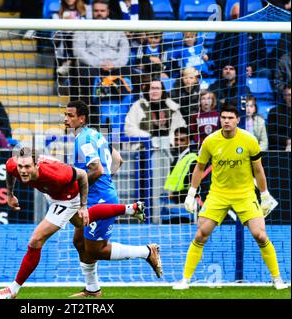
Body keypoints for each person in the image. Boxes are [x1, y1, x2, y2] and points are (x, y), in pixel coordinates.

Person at [0, 147, 147, 299]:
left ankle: (12, 290)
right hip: (52, 193)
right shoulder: (13, 165)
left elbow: (83, 176)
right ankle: (131, 209)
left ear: (37, 165)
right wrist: (10, 195)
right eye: (20, 166)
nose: (23, 171)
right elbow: (10, 172)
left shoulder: (57, 173)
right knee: (80, 223)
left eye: (27, 167)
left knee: (36, 240)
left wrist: (84, 206)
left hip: (68, 197)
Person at [173, 104, 288, 290]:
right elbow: (199, 167)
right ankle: (185, 280)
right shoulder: (210, 141)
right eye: (223, 118)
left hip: (245, 194)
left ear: (237, 120)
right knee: (201, 234)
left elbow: (258, 170)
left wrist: (265, 194)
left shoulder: (249, 140)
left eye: (230, 118)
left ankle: (277, 279)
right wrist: (191, 193)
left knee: (260, 235)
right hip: (218, 194)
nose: (226, 121)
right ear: (220, 120)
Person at [65, 100, 163, 297]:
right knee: (78, 241)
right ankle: (92, 289)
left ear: (81, 118)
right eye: (65, 115)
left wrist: (78, 186)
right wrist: (106, 183)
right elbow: (118, 159)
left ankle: (146, 251)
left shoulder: (82, 140)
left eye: (70, 116)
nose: (66, 119)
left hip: (98, 200)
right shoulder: (95, 134)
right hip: (95, 196)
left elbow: (96, 169)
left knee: (96, 250)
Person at [71, 0, 130, 126]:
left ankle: (128, 120)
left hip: (114, 66)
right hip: (92, 66)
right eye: (96, 11)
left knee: (135, 74)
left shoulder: (117, 28)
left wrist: (115, 64)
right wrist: (98, 63)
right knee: (82, 73)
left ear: (108, 12)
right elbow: (78, 51)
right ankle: (87, 119)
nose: (99, 14)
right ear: (92, 11)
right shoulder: (83, 27)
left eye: (102, 11)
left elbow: (125, 50)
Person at [267, 85, 291, 151]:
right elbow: (271, 135)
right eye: (288, 95)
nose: (290, 98)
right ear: (284, 96)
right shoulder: (274, 112)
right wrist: (287, 141)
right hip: (279, 149)